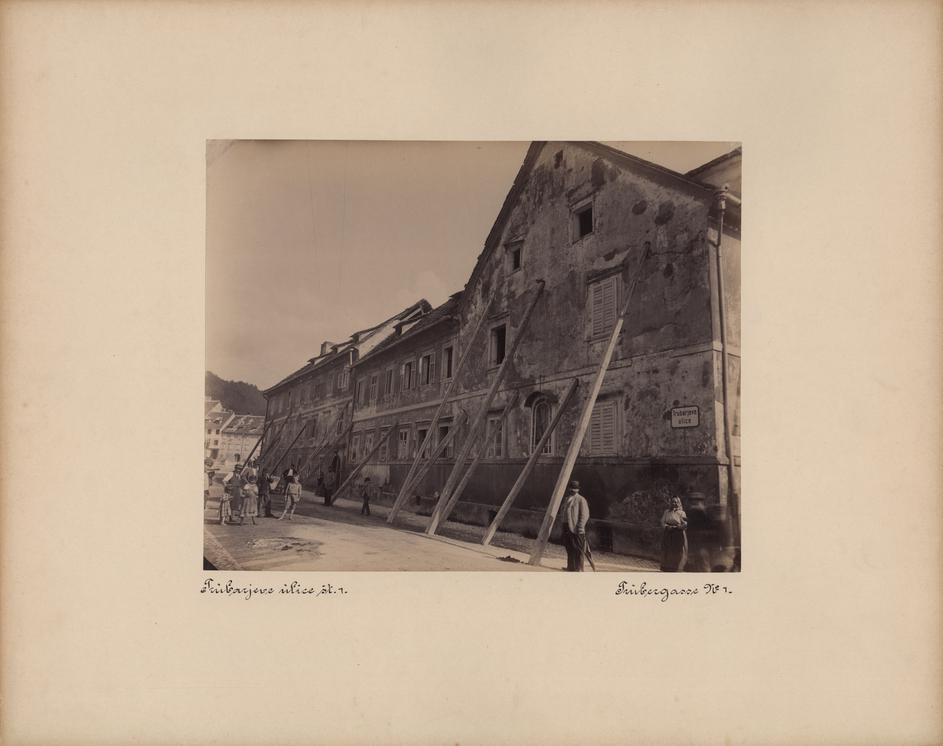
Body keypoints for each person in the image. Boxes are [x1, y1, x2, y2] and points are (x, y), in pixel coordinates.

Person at [561, 480, 590, 572]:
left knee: (578, 549)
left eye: (575, 489)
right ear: (569, 489)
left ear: (578, 490)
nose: (573, 491)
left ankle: (578, 569)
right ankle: (570, 567)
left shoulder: (581, 499)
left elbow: (585, 515)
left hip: (576, 528)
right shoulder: (567, 499)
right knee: (569, 547)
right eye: (571, 489)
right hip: (566, 526)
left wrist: (580, 527)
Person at [660, 496, 688, 571]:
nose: (674, 503)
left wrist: (679, 527)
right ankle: (666, 567)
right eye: (672, 501)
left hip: (677, 533)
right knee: (667, 549)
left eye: (676, 502)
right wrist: (667, 526)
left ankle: (676, 567)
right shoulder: (666, 512)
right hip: (668, 532)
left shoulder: (682, 513)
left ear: (679, 503)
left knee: (677, 550)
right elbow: (662, 521)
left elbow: (685, 524)